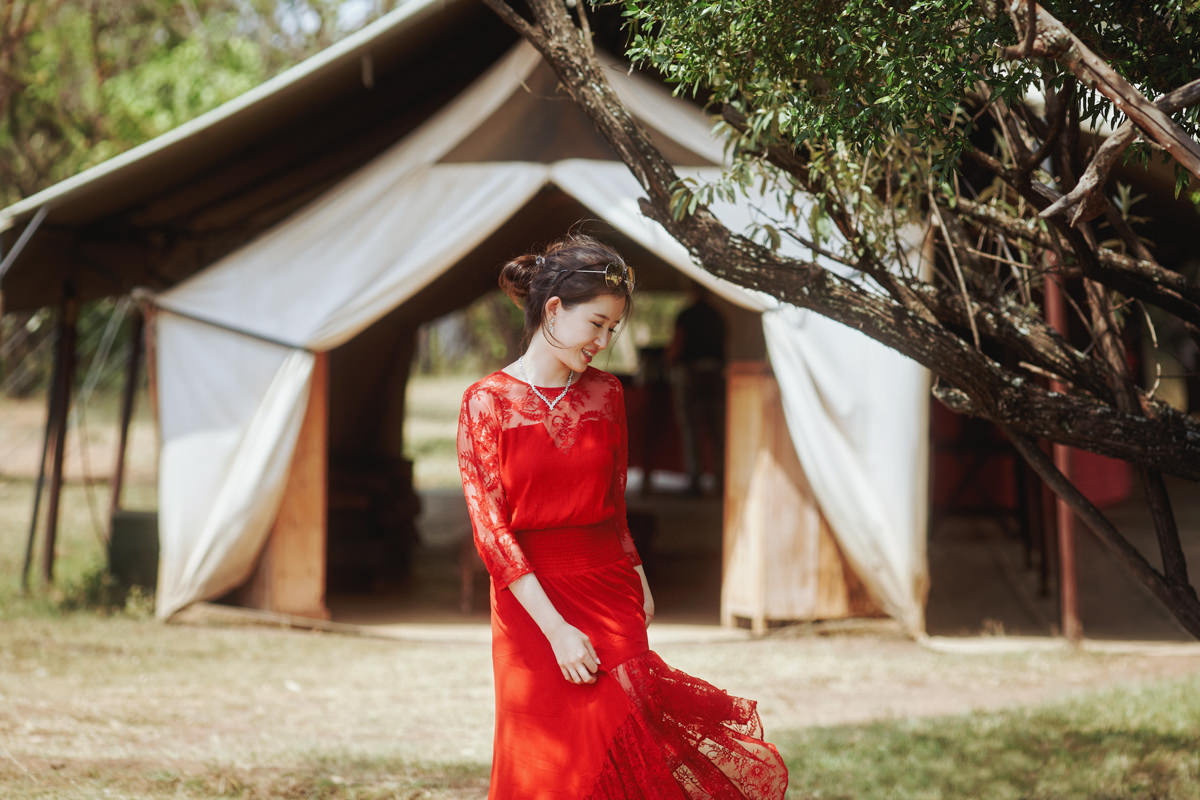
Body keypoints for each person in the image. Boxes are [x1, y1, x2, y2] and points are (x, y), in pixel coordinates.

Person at [457, 233, 788, 799]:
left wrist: (638, 577)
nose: (604, 342)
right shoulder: (486, 401)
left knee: (631, 744)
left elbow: (614, 505)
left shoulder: (606, 394)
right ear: (555, 310)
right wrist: (557, 630)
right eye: (597, 324)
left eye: (613, 330)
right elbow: (492, 534)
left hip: (611, 587)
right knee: (548, 763)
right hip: (531, 606)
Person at [666, 285, 727, 495]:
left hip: (691, 374)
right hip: (715, 373)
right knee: (716, 430)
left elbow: (677, 344)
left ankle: (695, 481)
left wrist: (670, 362)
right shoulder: (717, 316)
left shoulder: (687, 315)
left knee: (691, 429)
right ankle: (721, 481)